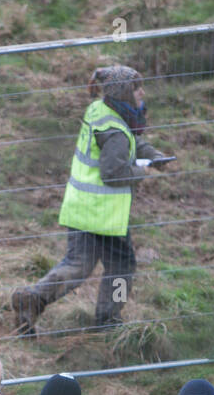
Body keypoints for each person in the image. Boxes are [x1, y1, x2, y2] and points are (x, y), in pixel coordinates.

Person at [10, 65, 171, 334]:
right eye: (136, 87)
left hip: (84, 206)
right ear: (123, 93)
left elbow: (131, 141)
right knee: (121, 266)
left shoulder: (102, 110)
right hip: (103, 213)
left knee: (78, 265)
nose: (142, 91)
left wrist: (152, 153)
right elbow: (114, 172)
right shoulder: (116, 129)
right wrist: (143, 171)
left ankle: (34, 299)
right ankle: (108, 319)